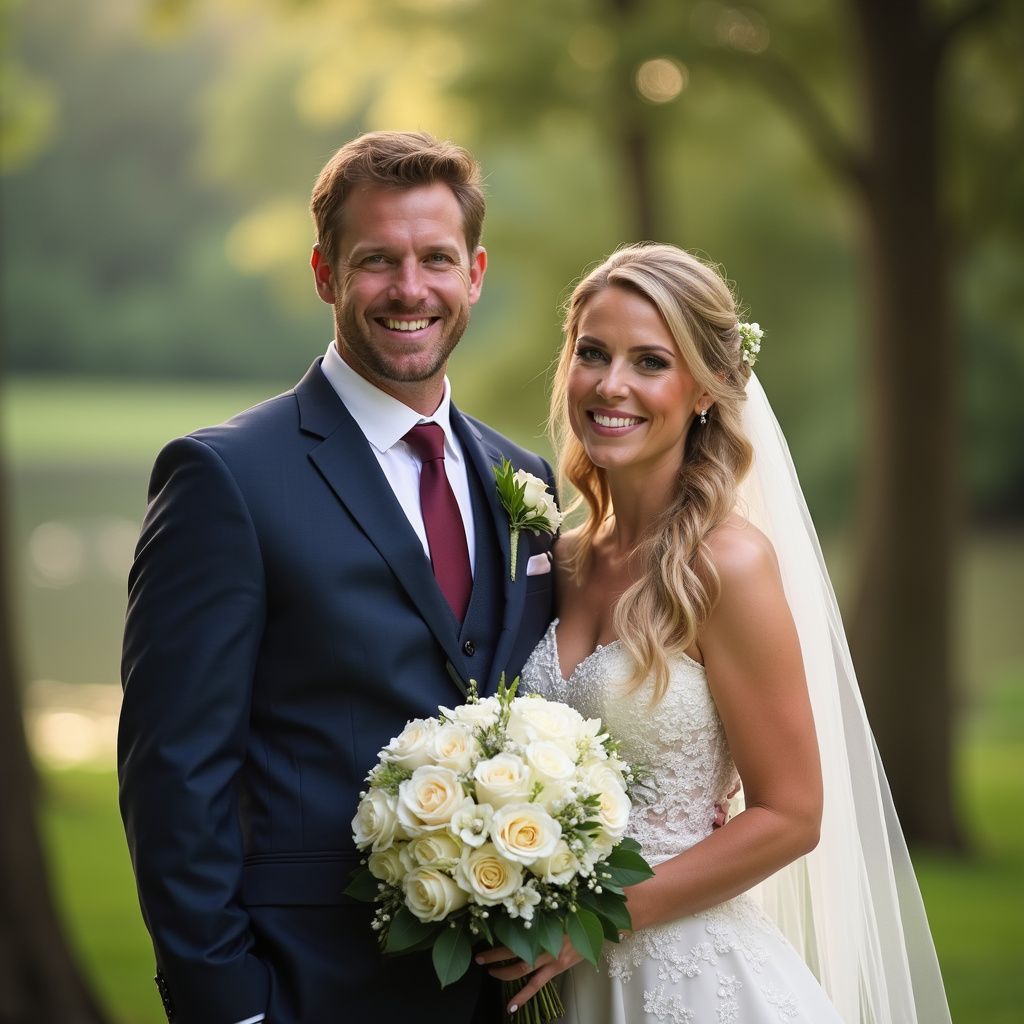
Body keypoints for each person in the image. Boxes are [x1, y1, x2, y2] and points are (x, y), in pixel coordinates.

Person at [118, 131, 556, 1024]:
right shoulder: (226, 478)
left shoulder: (526, 482)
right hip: (307, 985)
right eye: (376, 261)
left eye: (436, 258)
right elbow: (173, 771)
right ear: (324, 273)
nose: (410, 289)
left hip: (501, 993)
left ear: (474, 273)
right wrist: (227, 1002)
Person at [478, 243, 951, 1023]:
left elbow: (792, 815)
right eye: (592, 353)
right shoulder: (550, 559)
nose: (611, 384)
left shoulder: (726, 564)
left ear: (703, 389)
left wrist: (593, 923)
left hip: (687, 981)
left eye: (650, 362)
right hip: (557, 984)